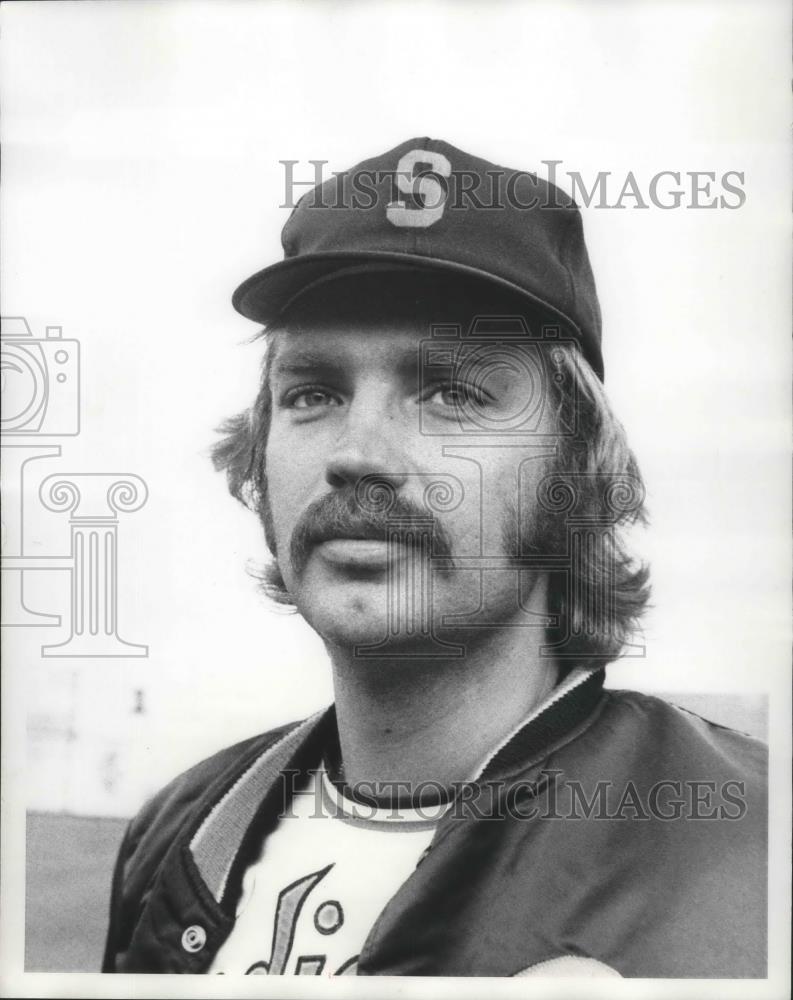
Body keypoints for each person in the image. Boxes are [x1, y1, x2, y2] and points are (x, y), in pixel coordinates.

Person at [102, 138, 767, 977]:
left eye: (452, 392)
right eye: (313, 393)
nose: (360, 452)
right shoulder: (181, 828)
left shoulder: (749, 838)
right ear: (261, 456)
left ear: (573, 467)